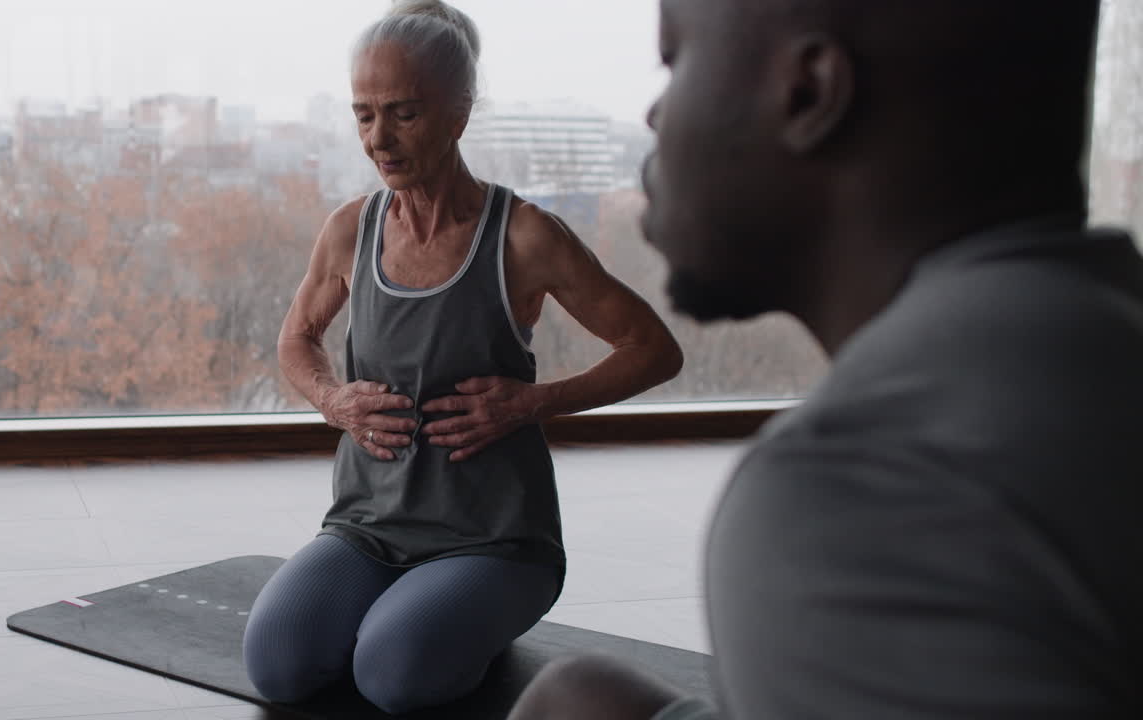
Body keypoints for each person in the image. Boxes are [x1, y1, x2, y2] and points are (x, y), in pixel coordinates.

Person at [510, 0, 1143, 718]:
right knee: (580, 696)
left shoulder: (861, 495)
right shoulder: (1099, 326)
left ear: (808, 93)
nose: (654, 117)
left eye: (675, 59)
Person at [241, 0, 683, 714]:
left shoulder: (525, 237)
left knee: (393, 675)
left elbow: (653, 350)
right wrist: (332, 400)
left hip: (495, 541)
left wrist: (532, 401)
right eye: (363, 114)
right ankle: (424, 612)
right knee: (278, 665)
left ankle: (466, 616)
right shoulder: (350, 229)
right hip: (366, 527)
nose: (378, 139)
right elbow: (296, 339)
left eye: (404, 113)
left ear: (458, 114)